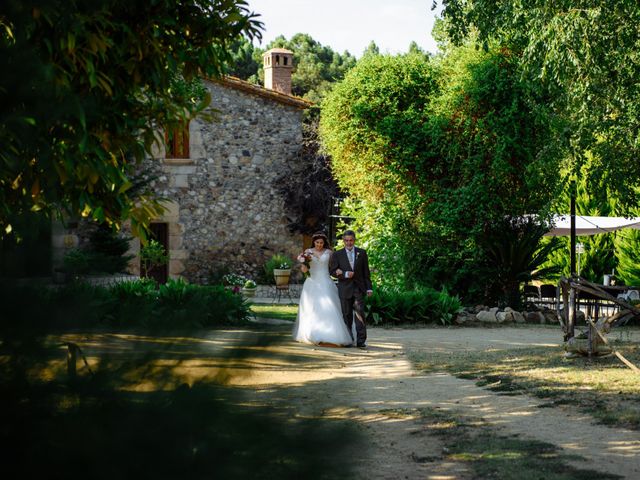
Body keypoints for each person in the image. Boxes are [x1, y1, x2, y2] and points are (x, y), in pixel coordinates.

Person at [292, 232, 354, 346]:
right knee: (312, 308)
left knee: (329, 307)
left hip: (326, 281)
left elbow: (334, 267)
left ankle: (331, 335)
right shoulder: (307, 252)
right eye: (317, 242)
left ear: (324, 243)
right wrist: (304, 262)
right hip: (312, 282)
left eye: (321, 242)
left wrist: (342, 272)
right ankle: (313, 334)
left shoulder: (329, 253)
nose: (319, 245)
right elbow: (304, 271)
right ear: (314, 242)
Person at [329, 230, 373, 348]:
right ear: (343, 241)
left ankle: (361, 341)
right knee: (346, 315)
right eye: (346, 240)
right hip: (344, 288)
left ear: (354, 240)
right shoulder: (337, 254)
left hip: (358, 288)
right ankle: (348, 339)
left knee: (360, 314)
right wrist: (344, 274)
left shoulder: (362, 253)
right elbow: (332, 271)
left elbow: (366, 272)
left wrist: (369, 288)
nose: (349, 243)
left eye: (351, 240)